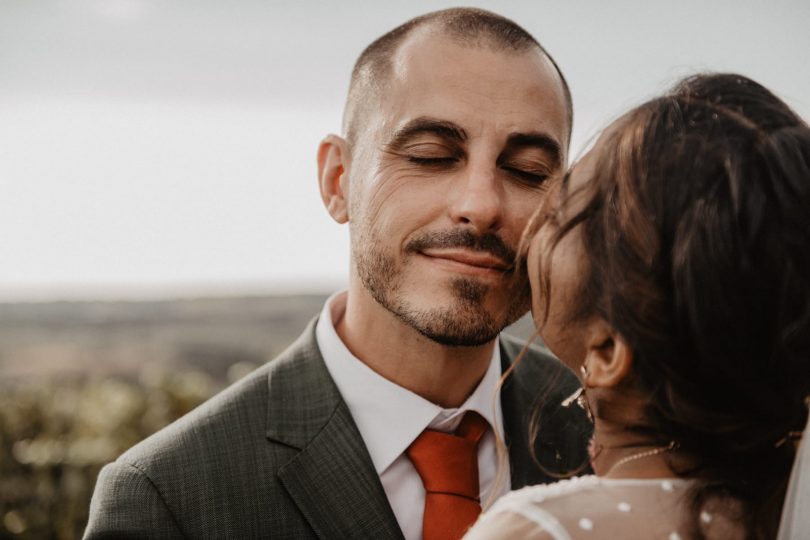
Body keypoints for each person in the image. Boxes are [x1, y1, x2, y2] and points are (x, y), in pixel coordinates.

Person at [84, 8, 591, 539]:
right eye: (431, 156)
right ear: (338, 179)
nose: (481, 205)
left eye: (526, 171)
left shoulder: (622, 432)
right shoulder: (168, 498)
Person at [465, 73, 810, 540]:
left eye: (563, 206)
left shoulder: (537, 529)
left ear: (607, 353)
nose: (527, 219)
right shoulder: (774, 510)